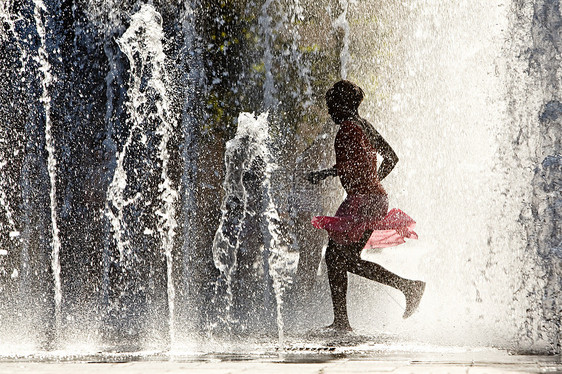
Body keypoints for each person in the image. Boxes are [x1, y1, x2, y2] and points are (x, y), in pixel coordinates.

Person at [308, 80, 425, 331]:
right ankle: (342, 321)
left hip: (363, 200)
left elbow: (350, 167)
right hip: (369, 198)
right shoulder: (364, 126)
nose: (330, 112)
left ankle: (408, 287)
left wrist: (325, 175)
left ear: (343, 104)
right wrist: (373, 184)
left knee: (341, 258)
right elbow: (391, 158)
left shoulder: (348, 129)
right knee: (337, 257)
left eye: (332, 106)